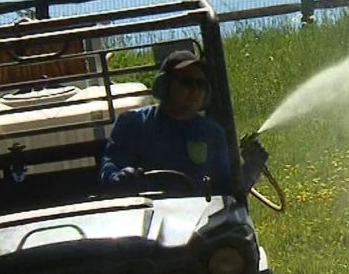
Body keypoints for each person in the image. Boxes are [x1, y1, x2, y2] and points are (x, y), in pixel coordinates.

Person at [100, 50, 267, 194]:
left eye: (200, 84)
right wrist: (119, 178)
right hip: (144, 219)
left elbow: (227, 191)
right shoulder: (132, 124)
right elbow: (110, 168)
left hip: (199, 225)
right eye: (186, 82)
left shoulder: (212, 133)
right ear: (164, 85)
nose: (195, 90)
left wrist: (252, 168)